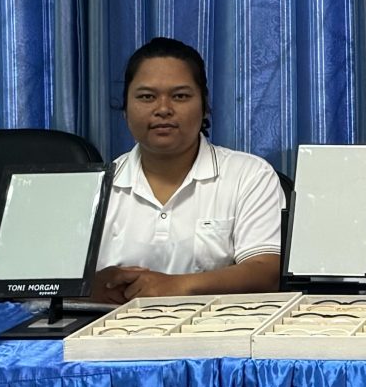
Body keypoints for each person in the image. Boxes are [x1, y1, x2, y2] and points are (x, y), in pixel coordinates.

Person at [89, 37, 287, 301]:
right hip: (112, 324)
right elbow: (53, 282)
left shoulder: (249, 175)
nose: (163, 109)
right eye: (147, 97)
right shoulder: (94, 185)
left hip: (221, 324)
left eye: (180, 96)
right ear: (125, 108)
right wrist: (87, 288)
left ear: (204, 106)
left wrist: (176, 286)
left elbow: (266, 272)